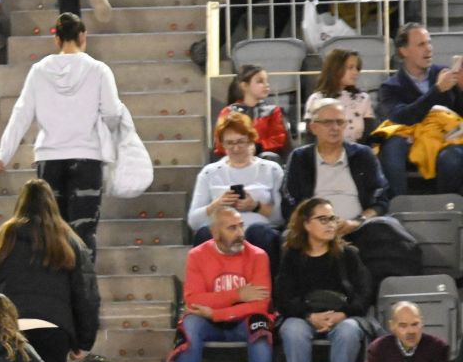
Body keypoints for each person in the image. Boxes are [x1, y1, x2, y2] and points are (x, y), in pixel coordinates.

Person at [0, 13, 124, 250]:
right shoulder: (99, 70)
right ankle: (82, 285)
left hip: (49, 158)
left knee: (50, 231)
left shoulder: (39, 70)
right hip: (87, 156)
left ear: (57, 39)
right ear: (83, 36)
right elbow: (113, 112)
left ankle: (56, 285)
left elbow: (21, 113)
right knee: (83, 232)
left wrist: (4, 153)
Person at [0, 178, 101, 362]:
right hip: (53, 332)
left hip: (9, 331)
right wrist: (84, 341)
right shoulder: (69, 241)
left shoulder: (5, 237)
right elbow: (86, 294)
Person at [173, 203, 275, 362]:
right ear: (215, 232)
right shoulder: (197, 255)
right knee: (190, 325)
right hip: (206, 322)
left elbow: (260, 305)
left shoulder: (258, 256)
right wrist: (238, 294)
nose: (240, 233)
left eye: (241, 226)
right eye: (232, 228)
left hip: (240, 321)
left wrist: (216, 313)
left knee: (259, 324)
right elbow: (194, 301)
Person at [272, 198, 373, 362]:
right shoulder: (292, 257)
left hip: (343, 316)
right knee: (293, 331)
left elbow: (364, 292)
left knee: (348, 331)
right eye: (323, 219)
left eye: (333, 219)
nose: (330, 225)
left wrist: (343, 314)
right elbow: (283, 297)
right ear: (307, 224)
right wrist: (309, 316)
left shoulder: (348, 254)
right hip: (304, 316)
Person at [377, 25, 463, 200]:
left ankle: (445, 212)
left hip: (446, 139)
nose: (429, 48)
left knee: (452, 158)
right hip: (409, 140)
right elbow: (402, 118)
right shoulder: (390, 87)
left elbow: (458, 116)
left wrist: (461, 88)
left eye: (429, 43)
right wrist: (437, 90)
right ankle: (399, 209)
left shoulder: (444, 73)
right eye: (421, 44)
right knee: (391, 146)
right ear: (403, 51)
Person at [282, 102, 389, 239]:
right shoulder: (300, 157)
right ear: (313, 127)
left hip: (359, 229)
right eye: (327, 123)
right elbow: (289, 202)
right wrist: (316, 227)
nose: (335, 128)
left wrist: (358, 221)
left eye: (340, 122)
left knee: (387, 227)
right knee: (288, 237)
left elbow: (380, 198)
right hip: (313, 233)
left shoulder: (363, 155)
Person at [191, 115, 287, 262]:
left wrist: (256, 206)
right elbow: (194, 221)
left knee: (261, 233)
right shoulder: (209, 172)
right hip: (222, 235)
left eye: (241, 142)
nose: (236, 148)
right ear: (222, 144)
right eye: (229, 143)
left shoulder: (271, 170)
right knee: (205, 234)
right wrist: (217, 205)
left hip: (258, 232)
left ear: (250, 140)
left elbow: (282, 217)